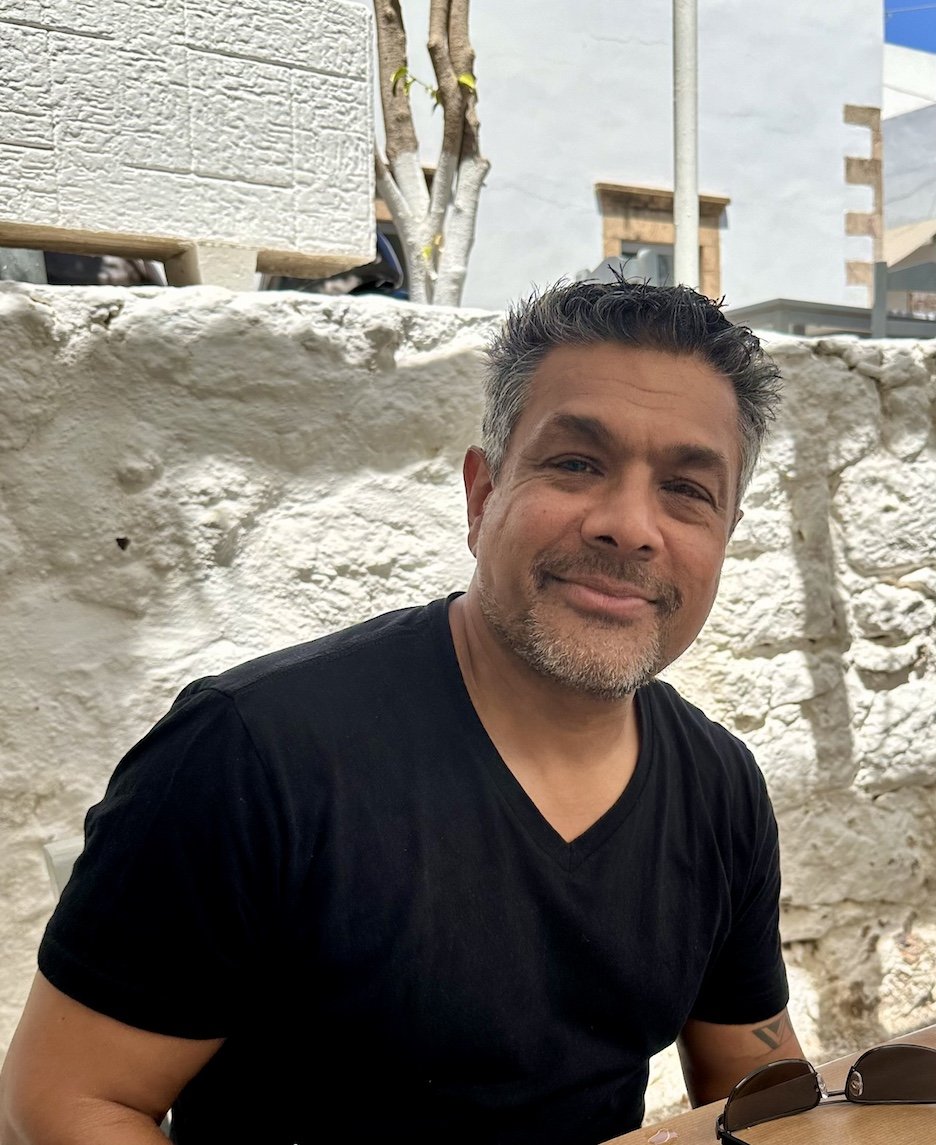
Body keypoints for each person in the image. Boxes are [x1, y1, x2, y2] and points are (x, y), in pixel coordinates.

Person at [0, 278, 802, 1145]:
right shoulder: (253, 756)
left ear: (723, 535)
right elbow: (61, 1102)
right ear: (481, 495)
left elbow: (751, 1077)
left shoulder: (717, 787)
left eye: (688, 488)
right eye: (576, 463)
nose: (629, 526)